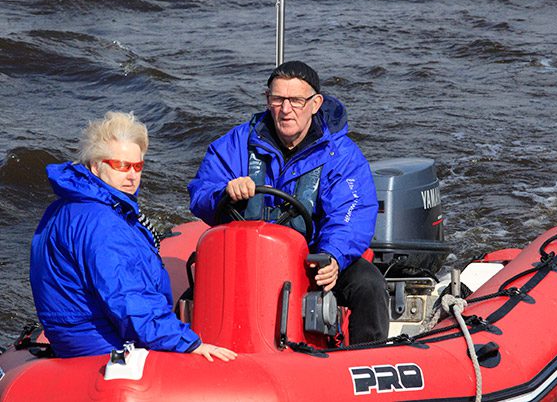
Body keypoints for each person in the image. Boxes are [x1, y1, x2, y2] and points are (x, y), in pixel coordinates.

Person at [188, 61, 389, 344]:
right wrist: (224, 193)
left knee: (368, 284)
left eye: (296, 100)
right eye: (278, 99)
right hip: (247, 255)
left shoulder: (341, 155)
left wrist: (333, 256)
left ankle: (367, 359)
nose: (285, 109)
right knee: (190, 288)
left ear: (316, 103)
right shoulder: (236, 142)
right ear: (267, 100)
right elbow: (200, 193)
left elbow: (352, 214)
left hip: (312, 258)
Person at [30, 111, 236, 362]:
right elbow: (128, 299)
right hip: (100, 345)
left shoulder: (68, 205)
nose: (132, 175)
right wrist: (187, 343)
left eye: (138, 166)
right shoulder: (103, 223)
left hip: (72, 341)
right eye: (121, 165)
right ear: (96, 166)